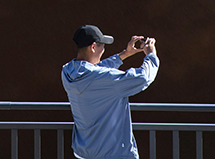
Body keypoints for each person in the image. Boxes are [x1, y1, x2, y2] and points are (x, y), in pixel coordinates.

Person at [61, 25, 159, 159]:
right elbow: (143, 78)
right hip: (113, 154)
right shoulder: (107, 80)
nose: (103, 50)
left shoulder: (67, 72)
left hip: (84, 153)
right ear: (93, 47)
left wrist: (125, 54)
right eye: (102, 46)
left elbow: (92, 71)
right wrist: (151, 55)